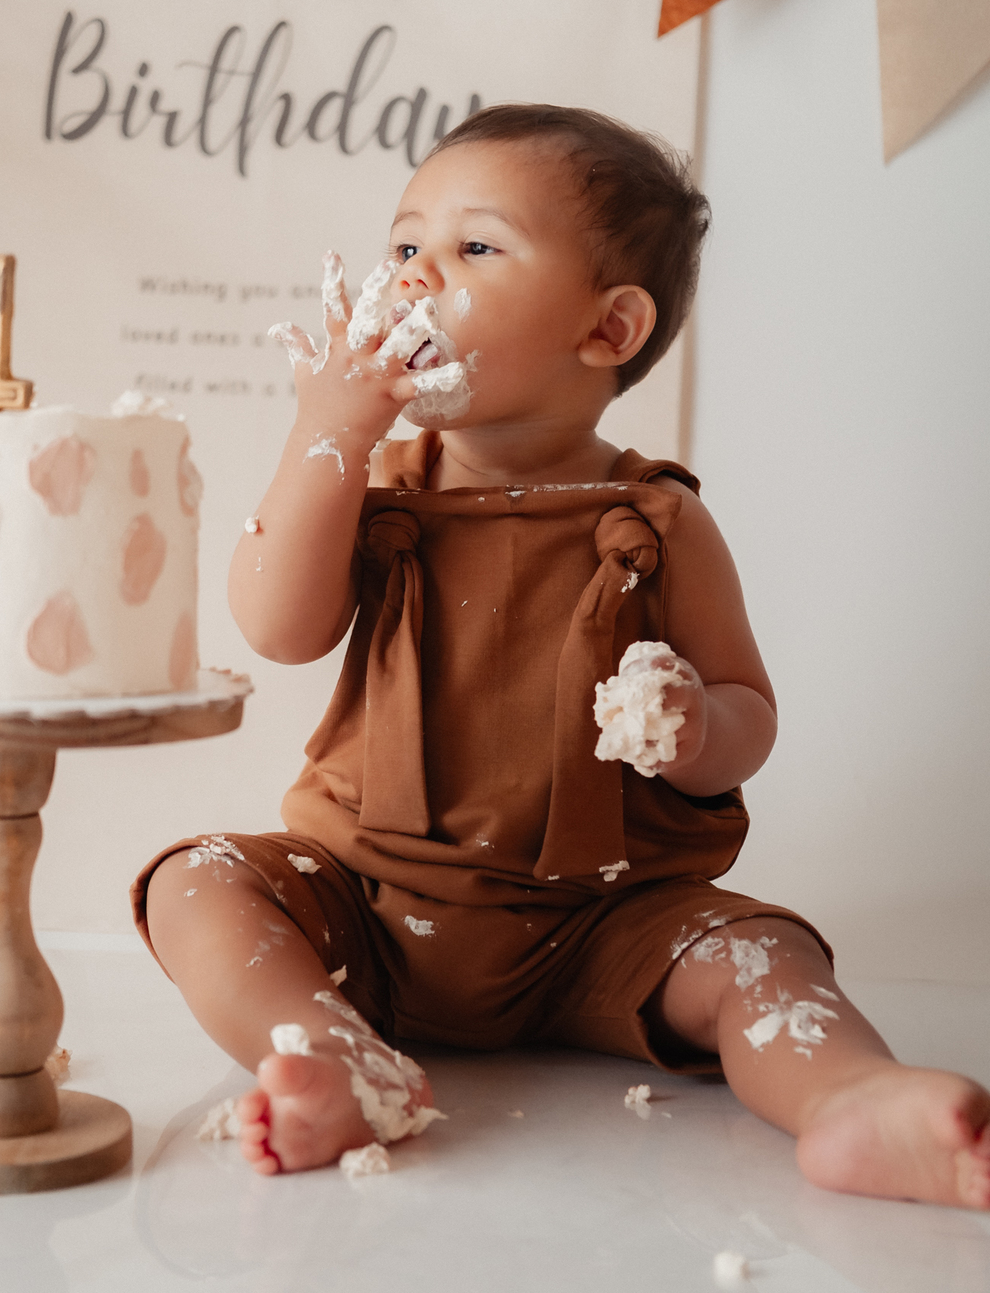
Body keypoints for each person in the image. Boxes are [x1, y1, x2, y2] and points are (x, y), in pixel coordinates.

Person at [134, 104, 990, 1205]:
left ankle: (850, 1097)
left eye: (473, 247)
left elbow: (748, 716)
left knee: (762, 950)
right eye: (405, 243)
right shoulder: (375, 481)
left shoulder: (659, 521)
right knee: (194, 881)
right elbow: (276, 626)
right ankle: (331, 1052)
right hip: (370, 905)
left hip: (599, 923)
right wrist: (328, 432)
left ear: (609, 328)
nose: (414, 275)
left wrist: (695, 722)